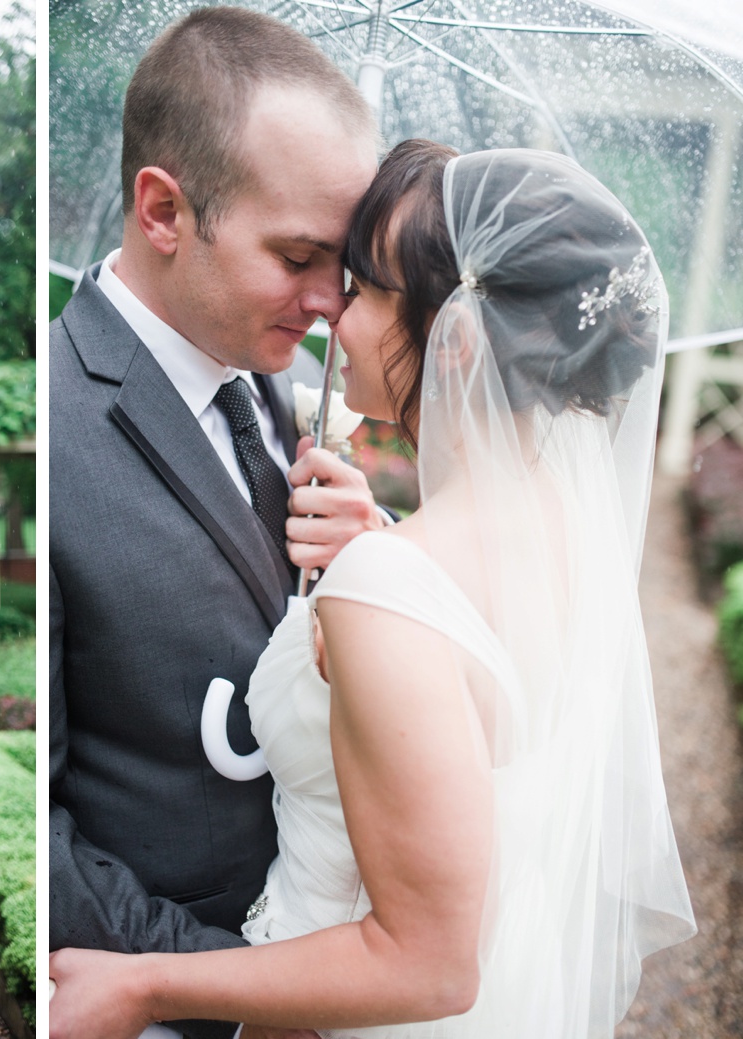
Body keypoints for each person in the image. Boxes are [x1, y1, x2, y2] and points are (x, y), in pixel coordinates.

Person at [49, 142, 698, 1038]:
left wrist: (145, 986)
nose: (328, 315)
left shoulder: (385, 589)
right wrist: (384, 546)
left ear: (456, 338)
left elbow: (428, 964)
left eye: (360, 289)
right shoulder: (568, 533)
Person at [50, 8, 383, 1038]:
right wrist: (244, 982)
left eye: (345, 263)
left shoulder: (273, 390)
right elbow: (44, 835)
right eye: (296, 256)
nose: (331, 301)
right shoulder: (55, 419)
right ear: (162, 209)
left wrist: (367, 565)